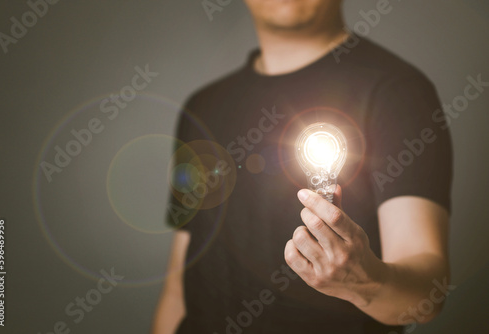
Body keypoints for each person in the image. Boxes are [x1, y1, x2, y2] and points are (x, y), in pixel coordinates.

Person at [152, 0, 453, 333]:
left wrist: (366, 283)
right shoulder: (202, 107)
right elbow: (178, 289)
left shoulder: (398, 92)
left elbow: (427, 291)